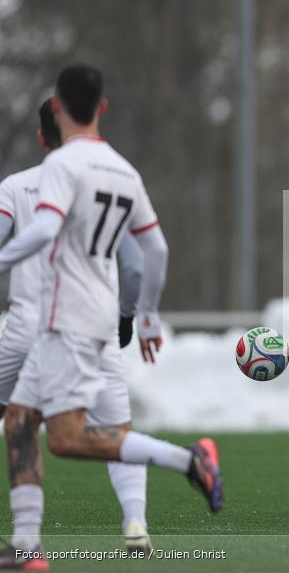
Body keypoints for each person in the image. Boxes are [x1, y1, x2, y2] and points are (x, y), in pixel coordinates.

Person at [0, 65, 222, 570]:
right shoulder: (123, 169)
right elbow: (156, 248)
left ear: (57, 107)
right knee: (18, 422)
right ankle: (27, 550)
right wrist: (146, 314)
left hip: (66, 320)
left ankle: (188, 459)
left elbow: (40, 231)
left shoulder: (62, 163)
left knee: (65, 438)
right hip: (98, 314)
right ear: (102, 108)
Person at [0, 100, 154, 555]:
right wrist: (128, 313)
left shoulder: (15, 186)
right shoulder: (100, 181)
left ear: (40, 135)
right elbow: (136, 262)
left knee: (20, 425)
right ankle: (135, 523)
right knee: (115, 428)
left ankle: (28, 540)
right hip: (91, 325)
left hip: (26, 325)